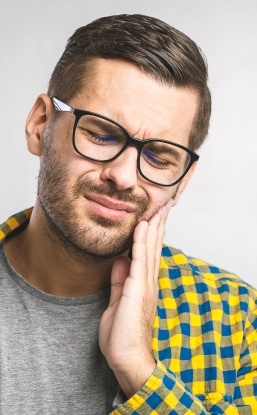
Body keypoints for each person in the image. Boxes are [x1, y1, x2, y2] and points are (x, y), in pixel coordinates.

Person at [0, 13, 256, 415]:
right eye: (101, 134)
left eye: (159, 156)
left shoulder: (237, 316)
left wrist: (139, 370)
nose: (123, 176)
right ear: (39, 125)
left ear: (183, 179)